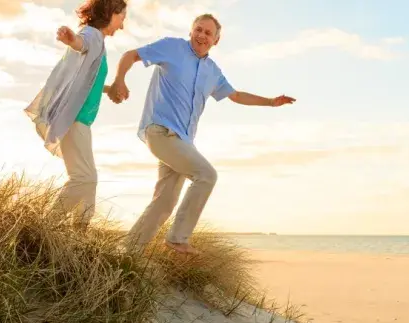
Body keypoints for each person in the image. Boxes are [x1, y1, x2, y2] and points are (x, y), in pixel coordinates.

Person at [108, 13, 295, 255]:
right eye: (198, 30)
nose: (202, 36)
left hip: (183, 142)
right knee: (206, 175)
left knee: (165, 202)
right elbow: (130, 55)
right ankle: (178, 238)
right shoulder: (172, 47)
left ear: (215, 41)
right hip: (160, 131)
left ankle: (127, 251)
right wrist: (119, 80)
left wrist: (270, 102)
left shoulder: (213, 71)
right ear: (191, 31)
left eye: (208, 33)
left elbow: (236, 95)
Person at [24, 0, 127, 229]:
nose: (121, 26)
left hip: (81, 120)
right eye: (121, 18)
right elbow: (82, 43)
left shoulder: (98, 40)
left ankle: (79, 234)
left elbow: (85, 79)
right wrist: (72, 40)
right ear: (110, 13)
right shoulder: (91, 35)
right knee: (84, 178)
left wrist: (109, 89)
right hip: (74, 119)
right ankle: (43, 229)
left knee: (89, 179)